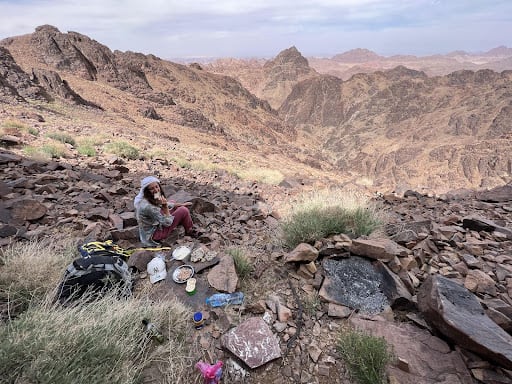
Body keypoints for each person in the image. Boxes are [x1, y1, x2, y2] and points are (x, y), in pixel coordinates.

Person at [134, 176, 198, 246]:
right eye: (151, 189)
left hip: (152, 225)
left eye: (156, 186)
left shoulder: (148, 198)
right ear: (147, 191)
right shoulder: (149, 207)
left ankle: (183, 220)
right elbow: (167, 223)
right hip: (154, 234)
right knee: (183, 210)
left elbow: (161, 204)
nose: (156, 190)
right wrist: (166, 209)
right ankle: (190, 230)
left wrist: (180, 204)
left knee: (173, 202)